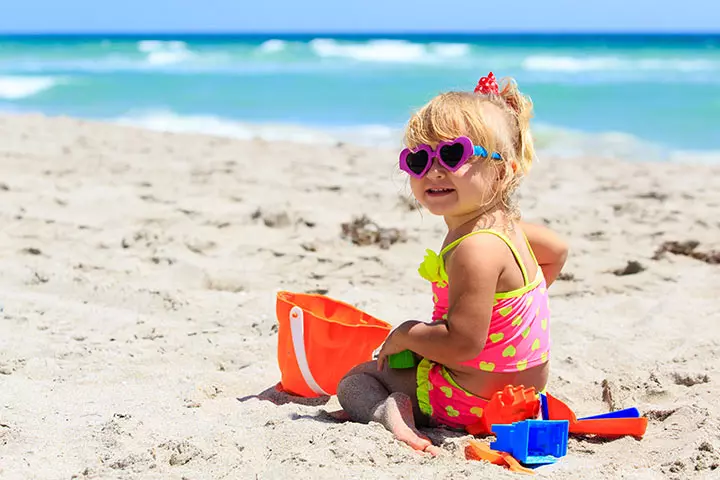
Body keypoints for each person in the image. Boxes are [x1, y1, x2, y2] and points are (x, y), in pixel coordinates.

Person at [336, 72, 569, 455]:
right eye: (418, 158)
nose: (433, 170)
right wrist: (508, 317)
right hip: (522, 391)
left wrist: (408, 333)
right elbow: (557, 251)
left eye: (452, 154)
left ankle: (390, 415)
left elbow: (461, 343)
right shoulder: (509, 228)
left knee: (356, 381)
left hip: (472, 401)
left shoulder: (474, 248)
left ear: (504, 169)